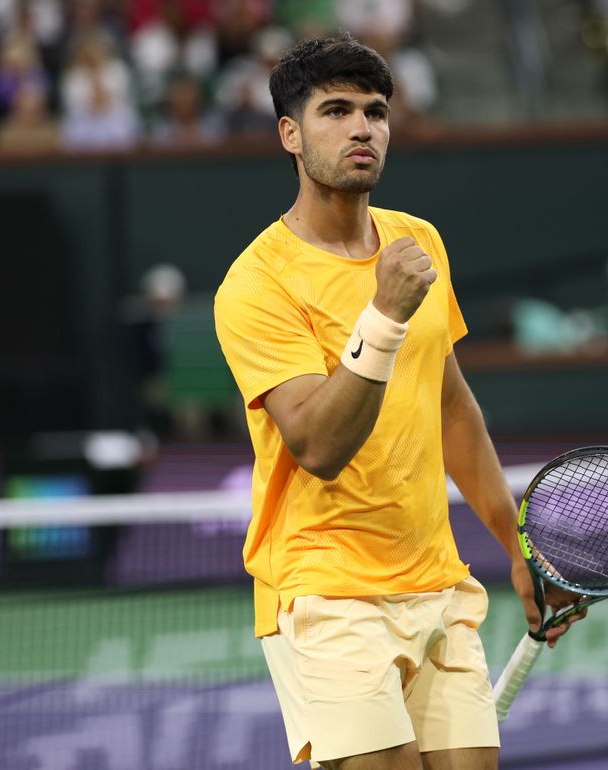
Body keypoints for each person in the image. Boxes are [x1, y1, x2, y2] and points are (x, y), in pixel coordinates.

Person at [213, 34, 581, 770]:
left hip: (436, 583)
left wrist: (518, 547)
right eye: (336, 111)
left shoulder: (419, 245)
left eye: (376, 112)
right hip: (326, 595)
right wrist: (381, 319)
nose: (361, 128)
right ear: (290, 134)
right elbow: (317, 447)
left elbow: (451, 409)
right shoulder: (258, 285)